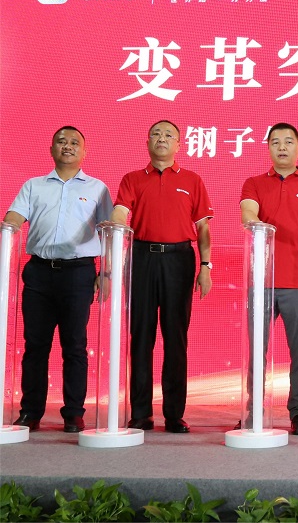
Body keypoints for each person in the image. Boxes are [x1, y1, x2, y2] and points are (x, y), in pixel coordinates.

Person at [5, 126, 113, 433]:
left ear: (84, 151)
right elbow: (14, 217)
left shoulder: (97, 188)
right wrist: (8, 225)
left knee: (75, 345)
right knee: (35, 345)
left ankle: (74, 413)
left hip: (78, 274)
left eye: (74, 142)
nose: (68, 146)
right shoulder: (34, 185)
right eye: (61, 141)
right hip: (38, 273)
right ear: (52, 149)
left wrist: (105, 273)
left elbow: (108, 232)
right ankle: (30, 411)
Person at [111, 120, 213, 434]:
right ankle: (141, 413)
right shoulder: (132, 179)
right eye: (156, 134)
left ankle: (174, 414)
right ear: (147, 142)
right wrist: (116, 225)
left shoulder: (192, 180)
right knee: (141, 337)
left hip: (179, 260)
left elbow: (203, 227)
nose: (162, 138)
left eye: (169, 135)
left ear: (179, 144)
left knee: (175, 337)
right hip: (141, 257)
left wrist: (206, 266)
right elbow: (121, 211)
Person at [240, 122, 298, 435]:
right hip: (261, 281)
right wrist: (259, 225)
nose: (282, 147)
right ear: (268, 147)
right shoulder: (254, 183)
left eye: (288, 141)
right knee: (257, 352)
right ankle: (254, 411)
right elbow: (247, 214)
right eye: (275, 142)